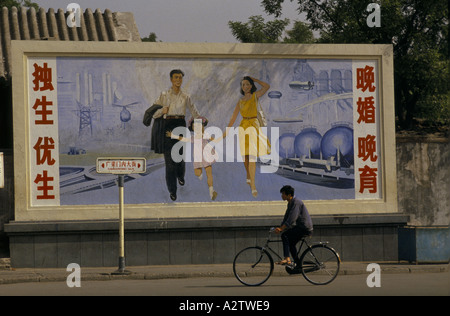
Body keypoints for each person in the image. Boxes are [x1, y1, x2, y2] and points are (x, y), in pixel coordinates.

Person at [152, 69, 201, 201]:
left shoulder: (186, 96)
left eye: (180, 78)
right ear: (171, 79)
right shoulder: (164, 95)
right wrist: (162, 110)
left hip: (180, 125)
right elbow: (153, 113)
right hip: (168, 126)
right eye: (176, 77)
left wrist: (200, 121)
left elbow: (195, 112)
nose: (178, 80)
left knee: (179, 157)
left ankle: (181, 175)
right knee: (169, 162)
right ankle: (172, 190)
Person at [224, 76, 271, 198]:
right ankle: (248, 175)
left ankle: (253, 185)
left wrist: (256, 79)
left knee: (252, 156)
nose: (246, 87)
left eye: (248, 84)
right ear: (242, 87)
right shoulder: (240, 101)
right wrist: (227, 131)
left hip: (254, 125)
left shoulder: (255, 96)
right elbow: (233, 117)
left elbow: (267, 86)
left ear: (251, 85)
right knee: (245, 156)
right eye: (243, 85)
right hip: (243, 126)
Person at [166, 117, 218, 200]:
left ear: (202, 126)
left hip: (207, 155)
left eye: (199, 126)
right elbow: (184, 139)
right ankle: (200, 174)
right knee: (197, 173)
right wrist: (173, 135)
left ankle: (211, 191)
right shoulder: (193, 137)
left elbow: (214, 139)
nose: (197, 128)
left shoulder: (205, 135)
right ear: (192, 128)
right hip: (198, 158)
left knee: (209, 174)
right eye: (195, 126)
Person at [274, 185, 313, 265]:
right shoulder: (290, 203)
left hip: (304, 228)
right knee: (291, 243)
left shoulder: (296, 202)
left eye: (283, 194)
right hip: (300, 226)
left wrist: (282, 229)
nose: (282, 196)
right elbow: (286, 217)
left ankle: (287, 258)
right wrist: (280, 227)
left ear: (289, 195)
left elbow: (292, 218)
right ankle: (298, 264)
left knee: (285, 235)